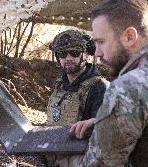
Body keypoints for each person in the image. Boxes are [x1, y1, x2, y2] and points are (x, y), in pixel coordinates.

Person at [58, 0, 148, 167]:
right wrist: (104, 122)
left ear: (129, 37)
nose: (97, 53)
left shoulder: (128, 87)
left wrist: (59, 158)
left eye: (101, 42)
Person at [46, 30, 109, 166]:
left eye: (74, 53)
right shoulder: (59, 85)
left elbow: (103, 135)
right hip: (53, 156)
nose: (68, 58)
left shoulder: (98, 87)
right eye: (62, 54)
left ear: (86, 54)